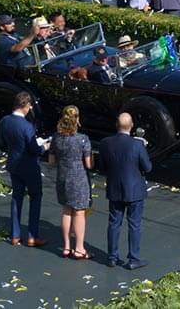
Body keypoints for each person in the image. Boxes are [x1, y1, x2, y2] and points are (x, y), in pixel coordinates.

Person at [100, 111, 153, 269]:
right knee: (134, 224)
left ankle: (112, 257)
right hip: (135, 190)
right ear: (131, 126)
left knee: (114, 223)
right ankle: (133, 259)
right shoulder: (137, 144)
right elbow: (148, 167)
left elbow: (102, 167)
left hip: (115, 188)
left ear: (116, 125)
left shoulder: (105, 143)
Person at [1, 90, 46, 247]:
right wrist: (45, 147)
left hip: (14, 165)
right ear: (25, 105)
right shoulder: (27, 126)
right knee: (35, 197)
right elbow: (34, 149)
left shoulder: (4, 121)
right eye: (30, 106)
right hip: (29, 167)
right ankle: (33, 235)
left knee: (16, 198)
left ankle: (15, 234)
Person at [49, 105, 94, 259]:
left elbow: (51, 162)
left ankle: (67, 246)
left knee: (66, 210)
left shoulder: (56, 138)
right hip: (79, 179)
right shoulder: (83, 139)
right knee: (79, 211)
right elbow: (88, 164)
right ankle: (79, 248)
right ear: (77, 119)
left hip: (62, 177)